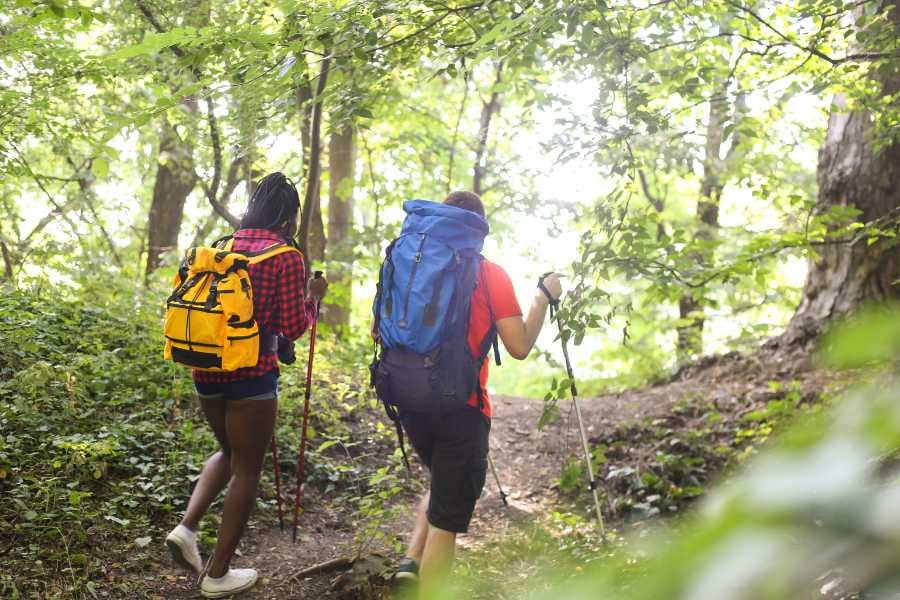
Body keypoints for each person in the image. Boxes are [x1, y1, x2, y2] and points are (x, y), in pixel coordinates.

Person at [384, 191, 562, 598]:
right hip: (462, 407)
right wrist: (542, 299)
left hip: (408, 398)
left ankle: (411, 560)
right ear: (478, 231)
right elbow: (518, 346)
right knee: (447, 520)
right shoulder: (489, 273)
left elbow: (383, 330)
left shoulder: (404, 261)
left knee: (442, 480)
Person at [164, 172, 328, 599]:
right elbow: (292, 325)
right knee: (247, 469)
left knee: (227, 451)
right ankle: (217, 575)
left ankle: (186, 529)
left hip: (205, 370)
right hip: (252, 377)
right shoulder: (285, 256)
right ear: (290, 217)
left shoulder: (222, 247)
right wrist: (314, 299)